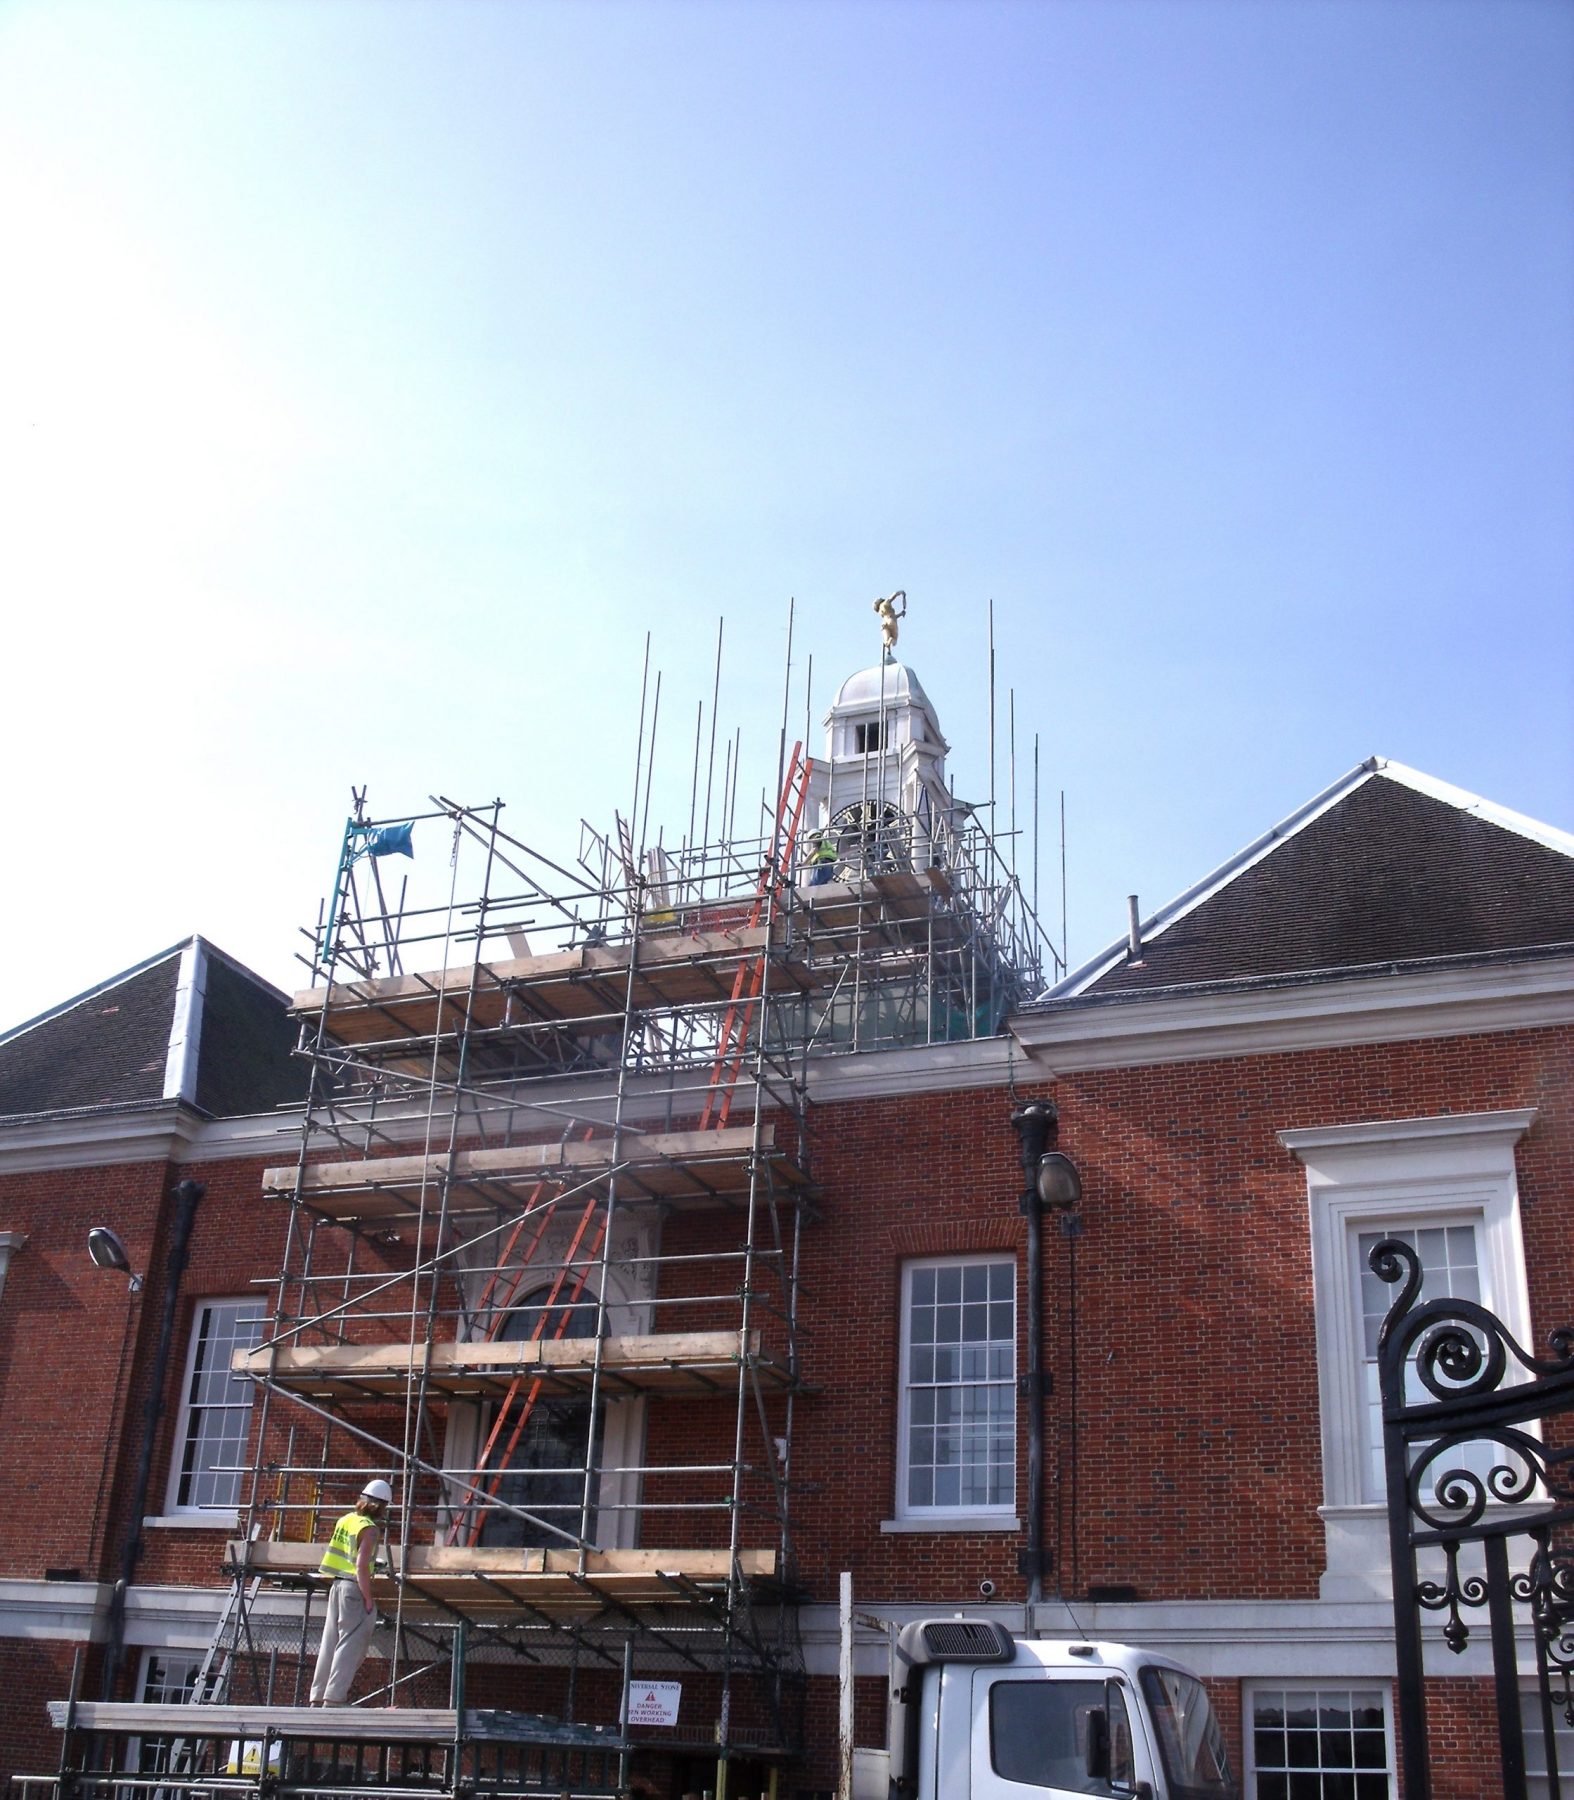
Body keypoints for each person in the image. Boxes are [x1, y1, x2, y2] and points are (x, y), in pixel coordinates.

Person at [310, 1476, 391, 1706]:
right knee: (352, 1643)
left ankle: (317, 1696)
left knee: (330, 1641)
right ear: (381, 1505)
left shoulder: (346, 1520)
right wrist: (368, 1598)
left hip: (336, 1586)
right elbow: (361, 1566)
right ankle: (334, 1698)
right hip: (354, 1589)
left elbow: (349, 1556)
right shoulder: (370, 1529)